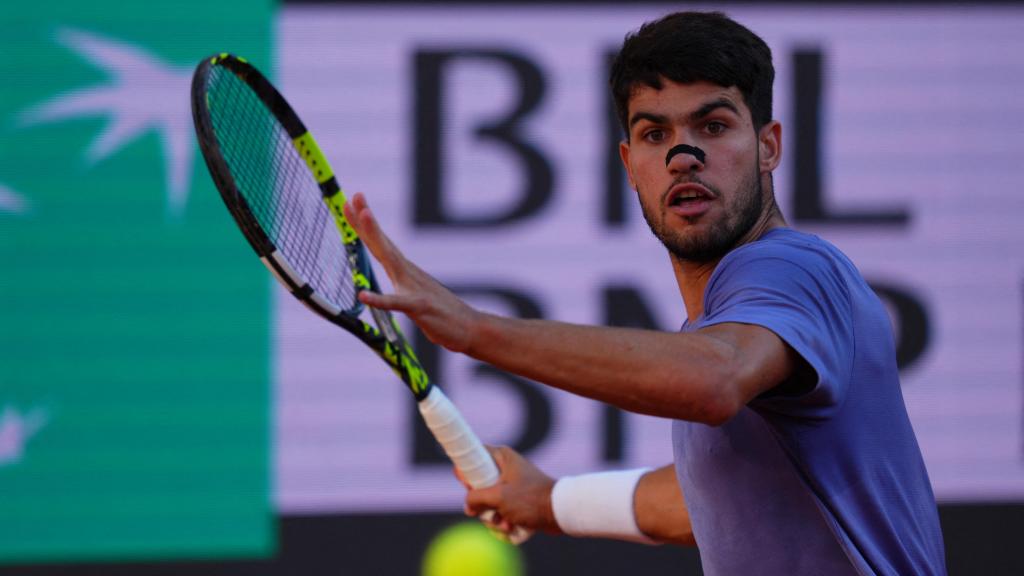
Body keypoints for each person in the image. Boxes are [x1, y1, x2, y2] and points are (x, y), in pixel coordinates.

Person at [343, 10, 947, 575]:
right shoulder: (722, 327)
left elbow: (713, 380)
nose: (685, 157)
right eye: (656, 134)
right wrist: (552, 500)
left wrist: (474, 330)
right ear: (630, 165)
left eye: (712, 126)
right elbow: (711, 498)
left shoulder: (792, 268)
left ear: (768, 147)